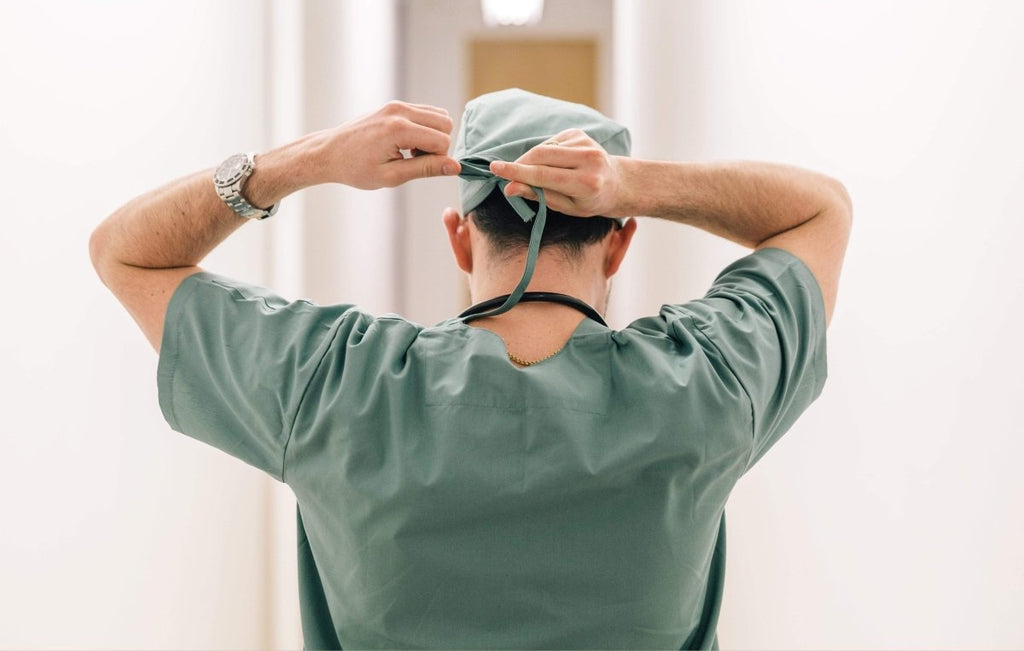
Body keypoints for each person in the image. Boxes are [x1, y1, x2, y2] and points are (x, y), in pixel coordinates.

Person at [90, 88, 851, 649]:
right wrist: (633, 185)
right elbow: (820, 211)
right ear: (619, 244)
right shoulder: (707, 383)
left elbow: (126, 253)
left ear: (459, 239)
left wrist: (306, 160)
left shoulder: (333, 382)